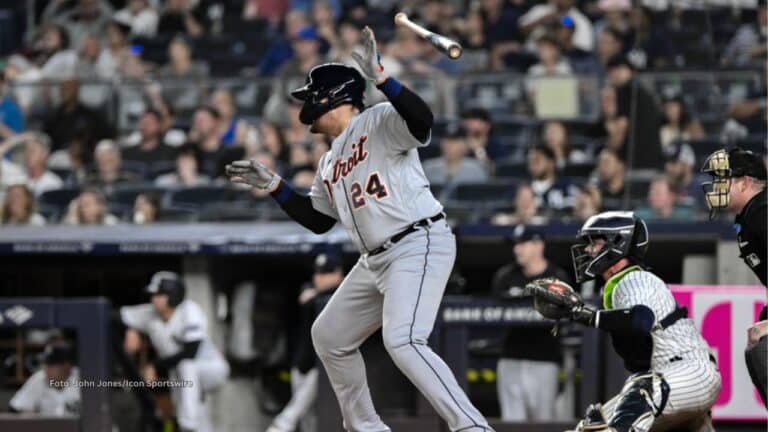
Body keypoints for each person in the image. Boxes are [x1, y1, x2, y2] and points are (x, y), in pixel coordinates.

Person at [225, 27, 492, 432]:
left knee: (403, 341)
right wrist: (277, 187)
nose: (306, 104)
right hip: (376, 260)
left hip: (417, 240)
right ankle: (366, 428)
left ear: (332, 97)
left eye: (311, 95)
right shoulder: (329, 162)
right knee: (329, 335)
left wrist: (384, 80)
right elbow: (318, 221)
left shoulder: (378, 118)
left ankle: (472, 427)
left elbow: (422, 122)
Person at [528, 211, 721, 431]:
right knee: (591, 426)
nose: (588, 250)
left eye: (595, 243)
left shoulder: (634, 278)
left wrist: (584, 315)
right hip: (670, 380)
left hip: (687, 372)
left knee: (637, 395)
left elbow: (640, 320)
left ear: (617, 244)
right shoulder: (616, 286)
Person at [121, 272, 229, 432]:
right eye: (153, 294)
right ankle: (192, 426)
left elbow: (190, 352)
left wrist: (154, 365)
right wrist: (131, 330)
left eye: (159, 294)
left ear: (173, 295)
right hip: (181, 375)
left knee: (187, 368)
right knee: (192, 407)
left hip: (211, 368)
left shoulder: (189, 310)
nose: (154, 299)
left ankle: (187, 427)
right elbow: (114, 314)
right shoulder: (150, 313)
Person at [700, 148, 767, 405]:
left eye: (723, 179)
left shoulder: (763, 212)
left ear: (746, 182)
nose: (716, 186)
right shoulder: (751, 214)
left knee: (763, 350)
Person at [492, 225, 570, 421]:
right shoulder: (505, 276)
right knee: (511, 423)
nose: (517, 249)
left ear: (538, 245)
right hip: (511, 359)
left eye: (523, 244)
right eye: (515, 244)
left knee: (544, 422)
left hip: (544, 361)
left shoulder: (557, 278)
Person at [267, 253, 343, 432]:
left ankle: (279, 427)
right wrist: (317, 292)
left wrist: (318, 293)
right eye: (318, 273)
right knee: (306, 416)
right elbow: (305, 297)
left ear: (338, 274)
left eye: (325, 273)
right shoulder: (308, 289)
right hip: (301, 361)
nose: (319, 277)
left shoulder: (342, 293)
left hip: (324, 365)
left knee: (302, 407)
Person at [604, 55, 663, 170]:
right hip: (652, 158)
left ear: (619, 70)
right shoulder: (643, 91)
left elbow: (621, 127)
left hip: (635, 160)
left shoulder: (626, 91)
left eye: (610, 73)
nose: (609, 78)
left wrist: (609, 151)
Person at [9, 341, 80, 416]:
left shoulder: (83, 379)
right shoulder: (39, 378)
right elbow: (16, 408)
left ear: (66, 366)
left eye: (51, 365)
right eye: (45, 364)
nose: (46, 369)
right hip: (46, 427)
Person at [422, 124, 489, 186]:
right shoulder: (427, 168)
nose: (450, 145)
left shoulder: (476, 169)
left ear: (465, 144)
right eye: (447, 140)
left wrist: (479, 150)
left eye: (455, 141)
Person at [527, 145, 578, 212]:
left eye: (537, 160)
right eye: (530, 161)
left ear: (551, 163)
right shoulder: (524, 189)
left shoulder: (566, 188)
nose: (533, 164)